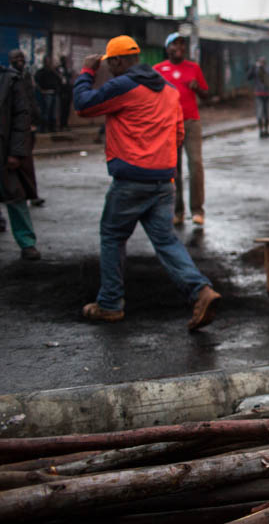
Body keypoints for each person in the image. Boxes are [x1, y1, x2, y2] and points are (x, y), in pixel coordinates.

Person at [73, 35, 220, 329]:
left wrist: (87, 73)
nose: (110, 69)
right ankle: (201, 291)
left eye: (109, 63)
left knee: (113, 236)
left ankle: (110, 304)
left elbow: (84, 105)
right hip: (163, 179)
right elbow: (178, 133)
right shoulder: (167, 89)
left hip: (131, 179)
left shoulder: (123, 86)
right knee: (165, 240)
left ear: (117, 61)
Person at [0, 42, 40, 260]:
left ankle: (27, 244)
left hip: (2, 154)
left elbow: (21, 117)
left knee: (16, 199)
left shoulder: (10, 80)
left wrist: (16, 152)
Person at [154, 34, 209, 226]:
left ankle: (197, 210)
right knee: (173, 169)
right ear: (167, 48)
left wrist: (198, 89)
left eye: (182, 44)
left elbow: (206, 95)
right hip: (168, 124)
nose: (179, 47)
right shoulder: (158, 70)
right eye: (174, 44)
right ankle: (177, 211)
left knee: (195, 164)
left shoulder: (193, 68)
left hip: (191, 121)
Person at [8, 49, 44, 207]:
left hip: (27, 125)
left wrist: (36, 119)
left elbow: (30, 99)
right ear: (10, 60)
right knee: (22, 162)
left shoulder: (26, 76)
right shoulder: (8, 77)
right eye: (16, 58)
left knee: (26, 162)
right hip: (16, 127)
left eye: (22, 57)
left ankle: (30, 193)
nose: (20, 60)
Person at [248, 57, 269, 137]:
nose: (261, 63)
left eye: (262, 62)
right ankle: (261, 130)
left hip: (267, 94)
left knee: (267, 113)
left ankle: (266, 130)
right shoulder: (256, 70)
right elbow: (249, 77)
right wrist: (253, 68)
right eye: (260, 62)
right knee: (260, 113)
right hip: (259, 94)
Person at [34, 56, 59, 133]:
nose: (49, 63)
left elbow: (59, 79)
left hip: (54, 93)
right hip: (46, 94)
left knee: (53, 112)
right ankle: (44, 128)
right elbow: (36, 81)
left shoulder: (53, 72)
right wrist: (41, 90)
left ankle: (52, 128)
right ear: (44, 62)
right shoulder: (41, 71)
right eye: (48, 61)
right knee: (46, 112)